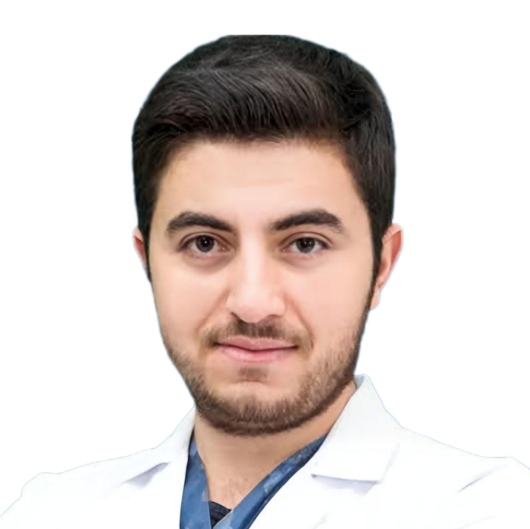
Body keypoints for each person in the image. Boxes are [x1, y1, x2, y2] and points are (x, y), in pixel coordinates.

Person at [1, 34, 529, 529]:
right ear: (148, 262)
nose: (253, 302)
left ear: (381, 265)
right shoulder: (48, 513)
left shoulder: (494, 510)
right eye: (204, 243)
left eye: (305, 244)